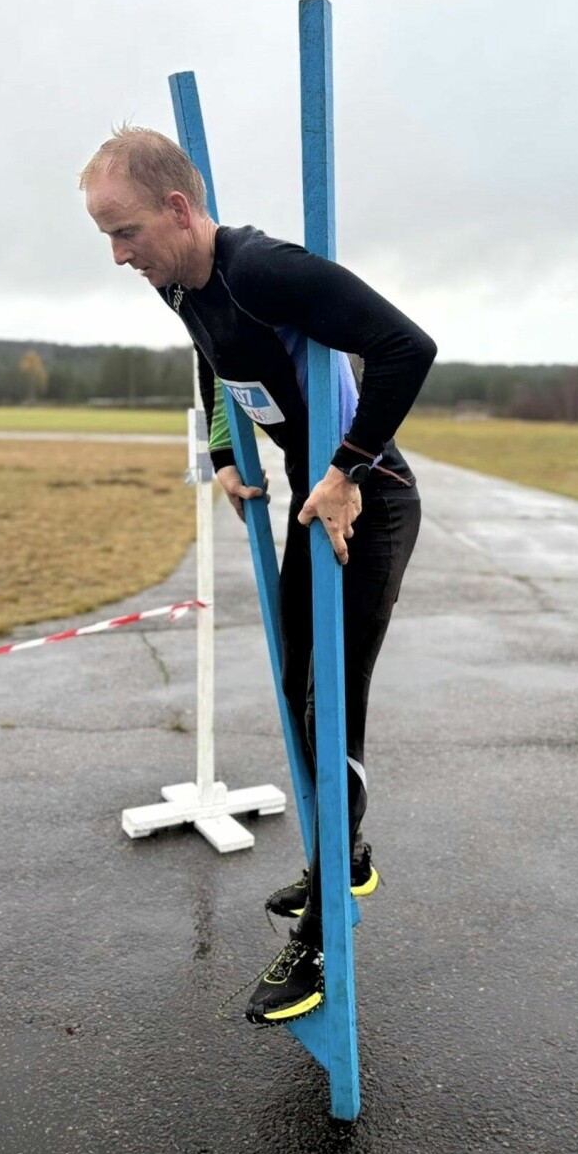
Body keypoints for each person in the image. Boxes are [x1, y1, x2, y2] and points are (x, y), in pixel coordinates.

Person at [80, 126, 437, 1025]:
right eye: (105, 240)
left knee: (329, 704)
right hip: (314, 500)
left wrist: (348, 468)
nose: (120, 257)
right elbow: (211, 359)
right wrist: (225, 452)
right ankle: (344, 859)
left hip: (367, 499)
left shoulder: (264, 268)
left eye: (125, 231)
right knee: (293, 687)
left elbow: (407, 346)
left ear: (178, 207)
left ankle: (323, 939)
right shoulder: (178, 284)